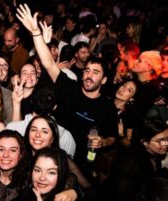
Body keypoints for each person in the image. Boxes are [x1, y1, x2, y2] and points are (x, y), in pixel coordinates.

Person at [16, 4, 118, 183]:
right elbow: (48, 63)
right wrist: (35, 32)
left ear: (103, 81)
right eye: (87, 70)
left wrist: (103, 142)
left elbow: (113, 137)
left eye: (95, 73)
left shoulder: (107, 106)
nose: (88, 75)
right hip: (57, 156)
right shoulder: (71, 88)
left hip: (84, 162)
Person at [7, 85, 76, 158]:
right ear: (55, 107)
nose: (37, 135)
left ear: (31, 101)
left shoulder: (12, 128)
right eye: (33, 129)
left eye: (45, 131)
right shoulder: (67, 137)